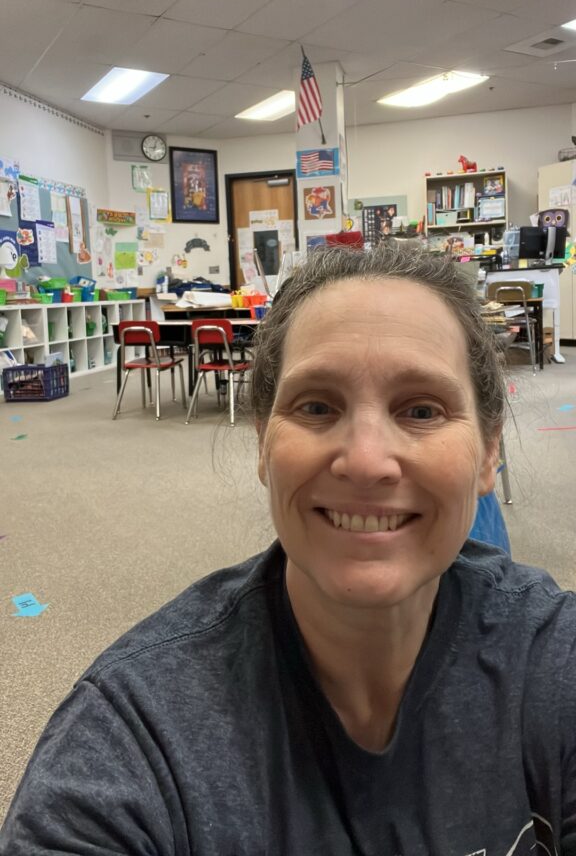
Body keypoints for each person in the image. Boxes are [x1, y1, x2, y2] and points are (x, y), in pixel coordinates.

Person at [2, 243, 576, 855]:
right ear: (261, 443)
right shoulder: (135, 734)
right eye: (317, 406)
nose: (365, 460)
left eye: (421, 409)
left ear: (490, 451)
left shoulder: (550, 662)